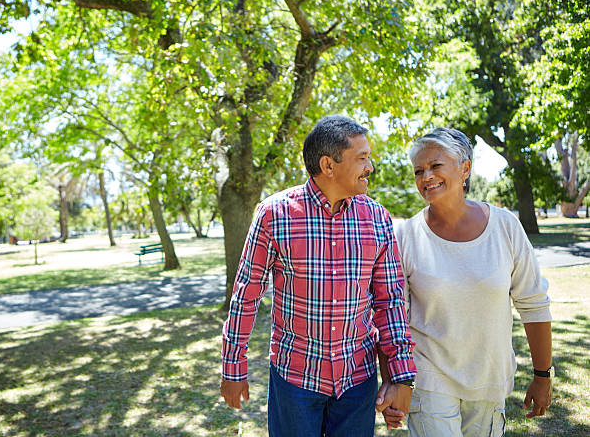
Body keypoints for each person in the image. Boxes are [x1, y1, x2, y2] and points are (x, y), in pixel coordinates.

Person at [220, 115, 416, 437]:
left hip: (357, 380)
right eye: (362, 158)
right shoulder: (274, 213)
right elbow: (247, 293)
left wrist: (400, 376)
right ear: (328, 165)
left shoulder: (377, 217)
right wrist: (232, 367)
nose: (370, 167)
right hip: (294, 380)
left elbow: (390, 301)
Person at [376, 127, 553, 436]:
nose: (426, 176)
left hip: (489, 379)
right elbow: (391, 316)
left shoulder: (506, 227)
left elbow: (533, 304)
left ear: (465, 168)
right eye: (419, 170)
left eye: (435, 165)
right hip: (429, 378)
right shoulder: (405, 236)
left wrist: (542, 375)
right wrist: (393, 382)